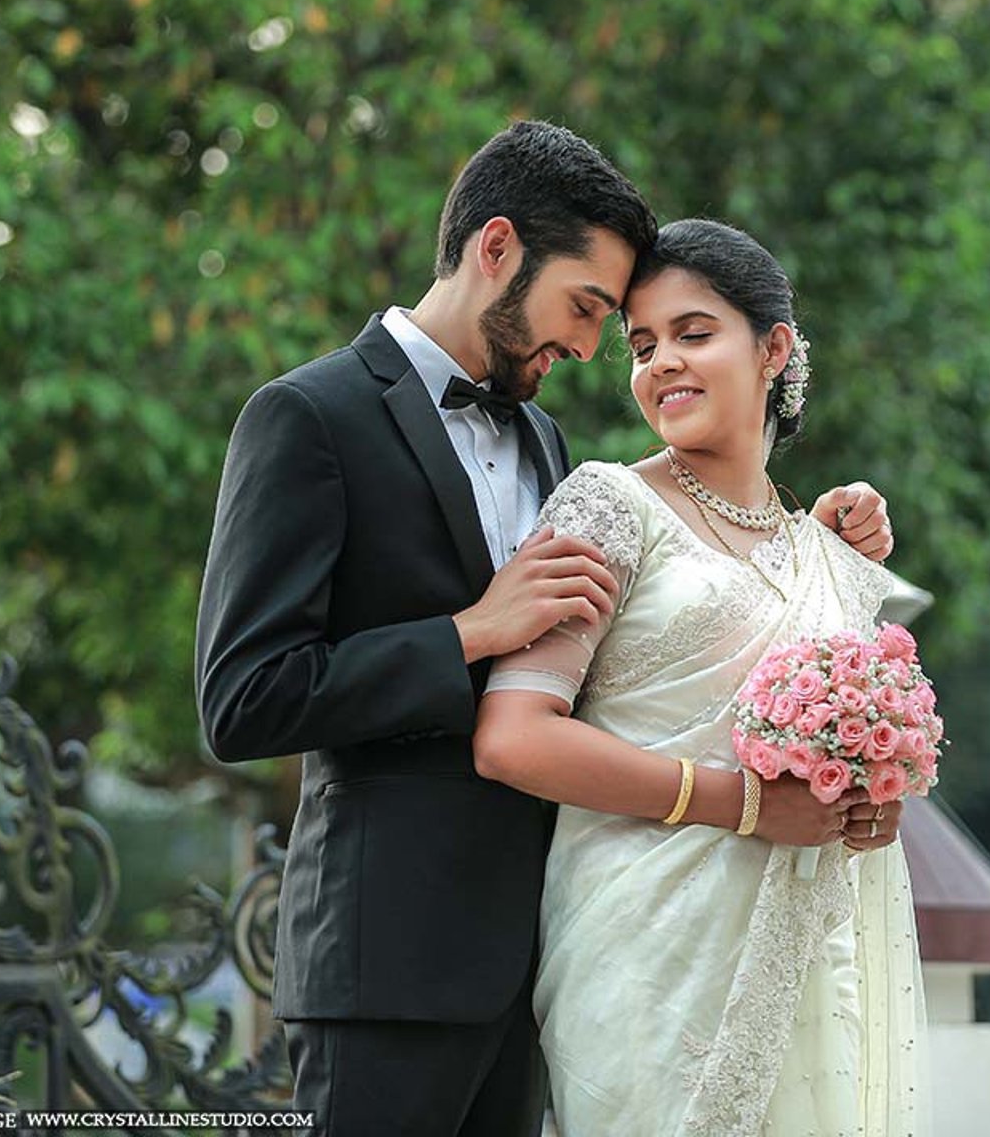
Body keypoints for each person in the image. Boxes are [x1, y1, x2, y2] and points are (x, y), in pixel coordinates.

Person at [193, 123, 895, 1137]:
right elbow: (242, 697)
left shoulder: (541, 435)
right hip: (385, 956)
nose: (582, 347)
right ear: (496, 248)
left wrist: (812, 552)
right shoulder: (308, 415)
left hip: (547, 955)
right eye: (587, 310)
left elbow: (650, 626)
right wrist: (467, 631)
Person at [474, 218, 924, 1136]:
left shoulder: (824, 554)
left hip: (805, 963)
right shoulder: (609, 504)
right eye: (641, 347)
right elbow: (513, 737)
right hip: (643, 965)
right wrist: (747, 805)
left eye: (692, 333)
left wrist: (868, 802)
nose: (659, 365)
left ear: (774, 349)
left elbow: (840, 774)